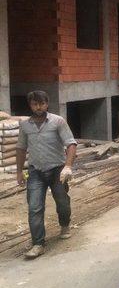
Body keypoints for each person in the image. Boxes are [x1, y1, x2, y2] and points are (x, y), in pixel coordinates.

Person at [15, 91, 77, 260]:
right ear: (30, 105)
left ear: (47, 104)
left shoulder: (58, 121)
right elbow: (21, 148)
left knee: (62, 202)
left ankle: (64, 225)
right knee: (34, 207)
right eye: (35, 104)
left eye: (41, 104)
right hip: (35, 171)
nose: (38, 107)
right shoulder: (25, 125)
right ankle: (38, 244)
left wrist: (68, 166)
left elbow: (71, 144)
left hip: (57, 170)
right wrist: (19, 171)